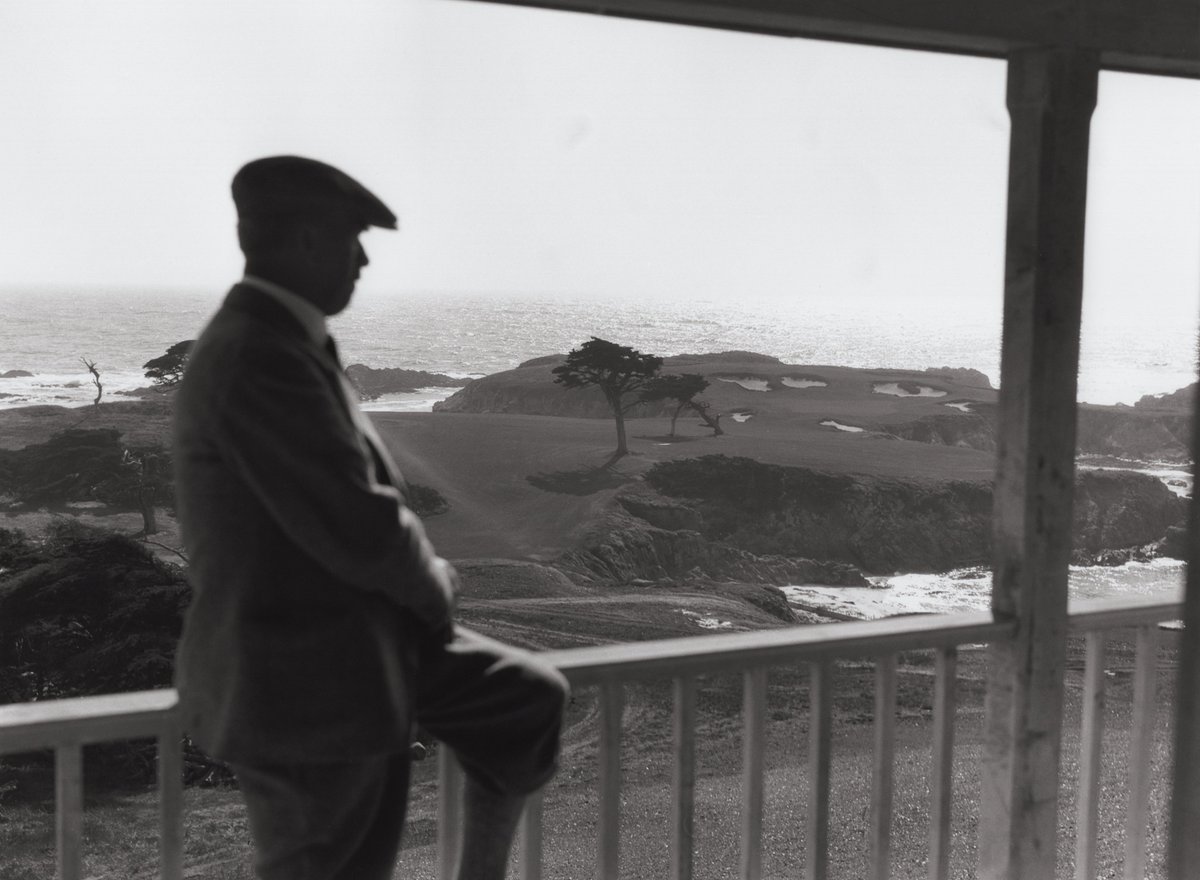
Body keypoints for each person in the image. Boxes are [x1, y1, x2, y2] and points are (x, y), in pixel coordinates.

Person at [173, 155, 568, 880]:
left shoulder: (278, 341)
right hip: (303, 685)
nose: (362, 260)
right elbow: (358, 524)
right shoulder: (260, 355)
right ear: (306, 241)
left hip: (341, 662)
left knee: (526, 701)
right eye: (351, 238)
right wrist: (436, 585)